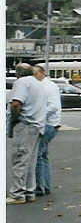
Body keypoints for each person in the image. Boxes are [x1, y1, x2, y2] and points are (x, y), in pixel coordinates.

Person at [6, 63, 47, 204]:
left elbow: (16, 103)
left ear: (17, 74)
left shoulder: (21, 83)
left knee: (20, 159)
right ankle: (29, 191)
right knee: (30, 161)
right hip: (38, 125)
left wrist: (14, 120)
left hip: (25, 125)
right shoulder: (38, 83)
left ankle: (17, 193)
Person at [33, 64, 61, 197]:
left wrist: (38, 115)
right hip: (52, 124)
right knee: (42, 155)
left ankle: (40, 186)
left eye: (35, 74)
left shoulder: (46, 86)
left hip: (47, 124)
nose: (33, 76)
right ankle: (45, 185)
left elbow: (53, 107)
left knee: (38, 156)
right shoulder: (49, 85)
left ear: (42, 73)